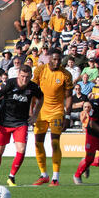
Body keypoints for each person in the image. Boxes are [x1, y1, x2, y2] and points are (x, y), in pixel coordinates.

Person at [0, 65, 44, 187]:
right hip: (4, 122)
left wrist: (35, 115)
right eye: (22, 76)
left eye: (27, 77)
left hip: (21, 123)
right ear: (18, 75)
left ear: (31, 77)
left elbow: (41, 98)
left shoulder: (33, 87)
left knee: (21, 149)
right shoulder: (8, 84)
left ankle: (11, 177)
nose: (25, 79)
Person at [32, 48, 73, 186]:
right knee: (38, 144)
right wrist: (31, 112)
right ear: (48, 58)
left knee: (55, 143)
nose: (56, 62)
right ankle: (44, 175)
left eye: (59, 60)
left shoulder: (65, 74)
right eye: (54, 59)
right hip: (40, 112)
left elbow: (68, 97)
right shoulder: (40, 71)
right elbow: (32, 91)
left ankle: (55, 178)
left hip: (57, 111)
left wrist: (67, 116)